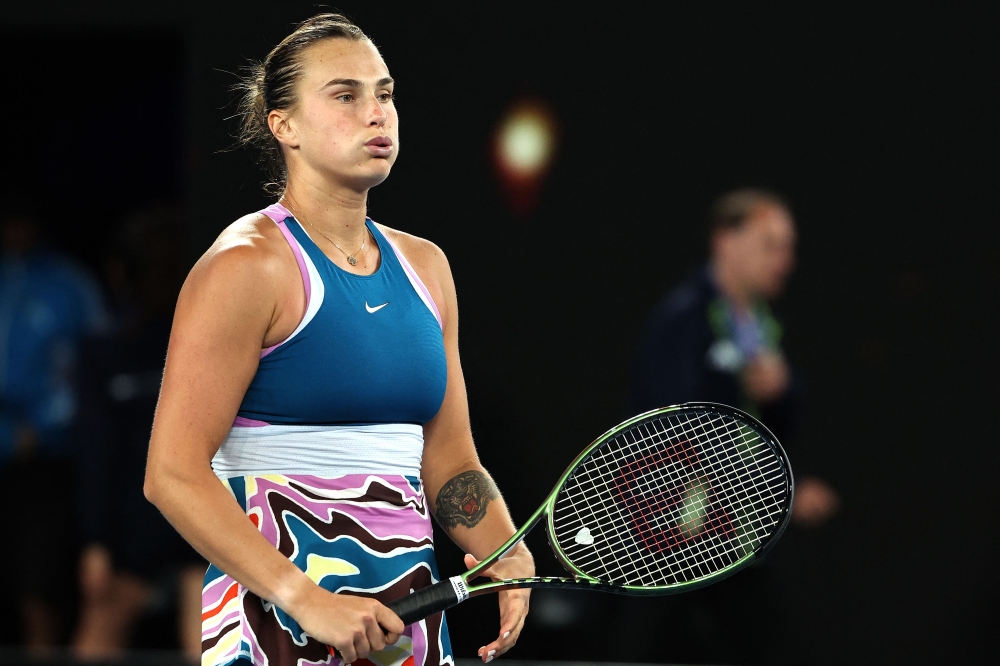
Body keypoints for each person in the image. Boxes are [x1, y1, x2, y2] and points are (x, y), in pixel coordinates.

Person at [143, 14, 534, 666]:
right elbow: (173, 476)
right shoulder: (244, 268)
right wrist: (305, 598)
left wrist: (503, 547)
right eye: (346, 95)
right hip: (270, 630)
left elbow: (451, 463)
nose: (377, 114)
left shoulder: (427, 268)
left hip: (404, 628)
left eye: (384, 93)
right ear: (284, 125)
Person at [624, 188, 839, 664]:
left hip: (734, 539)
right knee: (645, 649)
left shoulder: (762, 326)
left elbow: (778, 428)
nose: (786, 260)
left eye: (789, 246)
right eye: (771, 244)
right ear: (726, 240)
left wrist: (783, 393)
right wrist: (780, 490)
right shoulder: (682, 320)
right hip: (667, 540)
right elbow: (676, 428)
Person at [73, 206, 205, 662]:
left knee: (199, 637)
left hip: (172, 520)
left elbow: (98, 452)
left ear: (117, 271)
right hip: (169, 517)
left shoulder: (200, 341)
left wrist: (96, 541)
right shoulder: (109, 350)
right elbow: (99, 449)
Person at [0, 210, 109, 649]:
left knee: (37, 586)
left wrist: (44, 426)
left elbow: (91, 366)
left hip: (45, 456)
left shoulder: (69, 283)